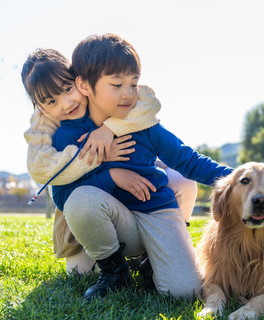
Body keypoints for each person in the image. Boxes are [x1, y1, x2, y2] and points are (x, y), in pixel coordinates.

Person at [50, 33, 233, 300]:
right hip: (112, 221)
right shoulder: (68, 134)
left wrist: (240, 177)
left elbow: (188, 161)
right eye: (116, 84)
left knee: (184, 292)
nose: (127, 93)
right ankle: (115, 272)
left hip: (155, 209)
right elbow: (62, 195)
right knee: (79, 208)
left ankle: (150, 259)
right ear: (85, 85)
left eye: (133, 83)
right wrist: (112, 176)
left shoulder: (144, 124)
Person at [21, 48, 197, 275]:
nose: (66, 103)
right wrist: (100, 157)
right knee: (81, 272)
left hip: (139, 194)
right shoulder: (50, 125)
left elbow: (146, 101)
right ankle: (114, 264)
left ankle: (166, 243)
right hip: (91, 204)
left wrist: (107, 129)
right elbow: (40, 167)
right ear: (41, 108)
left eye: (68, 89)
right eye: (52, 101)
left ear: (80, 80)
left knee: (183, 182)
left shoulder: (104, 94)